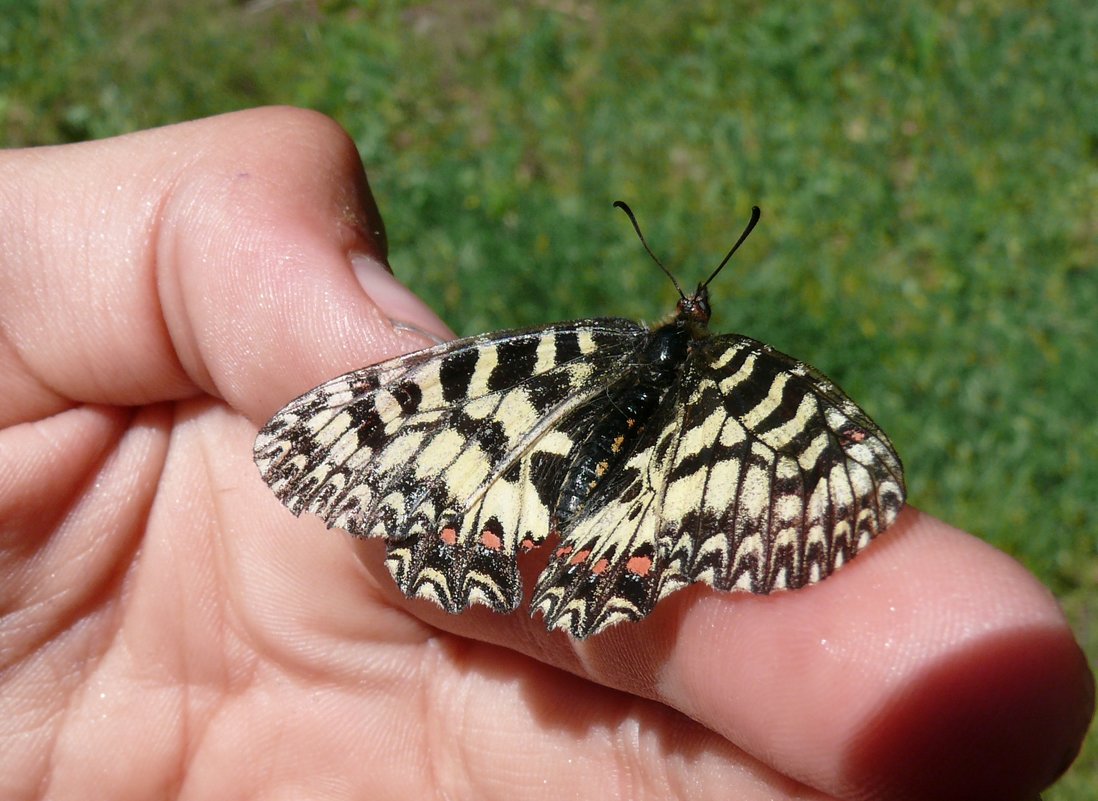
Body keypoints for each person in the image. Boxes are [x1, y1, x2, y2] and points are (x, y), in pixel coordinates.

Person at [0, 106, 1091, 801]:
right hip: (610, 508)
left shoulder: (585, 358)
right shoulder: (736, 385)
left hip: (581, 500)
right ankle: (566, 558)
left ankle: (543, 548)